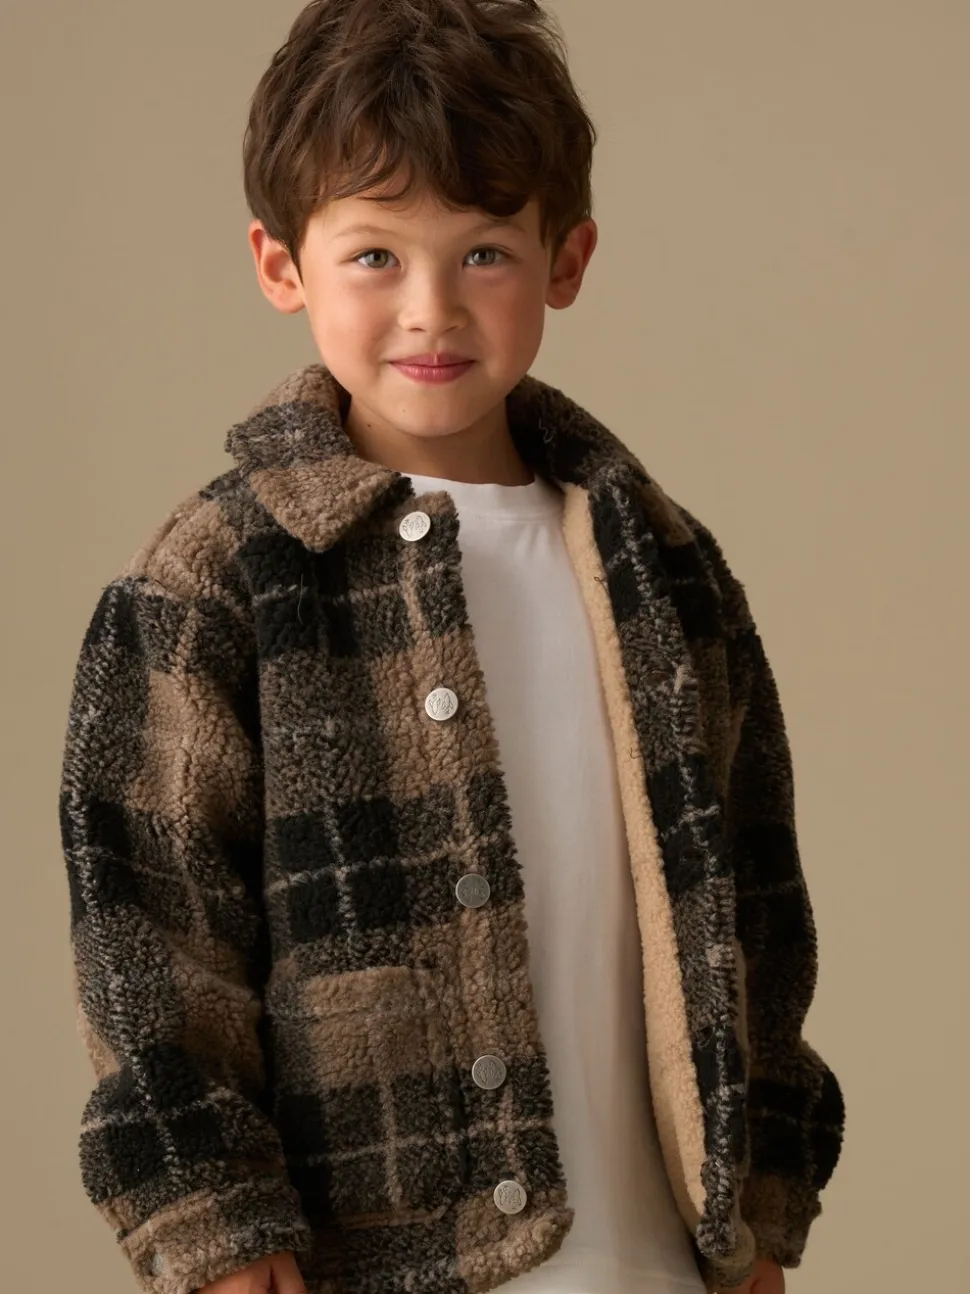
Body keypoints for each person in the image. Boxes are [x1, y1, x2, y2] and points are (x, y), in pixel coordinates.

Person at [57, 1, 845, 1292]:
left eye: (483, 253)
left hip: (661, 1263)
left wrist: (761, 1203)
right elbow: (151, 926)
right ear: (281, 265)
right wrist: (210, 1214)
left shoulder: (665, 568)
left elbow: (755, 904)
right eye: (374, 255)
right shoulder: (216, 578)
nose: (431, 310)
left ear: (566, 258)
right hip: (373, 1260)